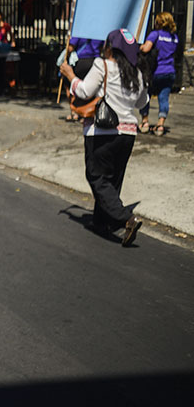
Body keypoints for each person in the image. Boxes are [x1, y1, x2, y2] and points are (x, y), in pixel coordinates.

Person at [59, 28, 149, 246]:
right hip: (127, 134)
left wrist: (70, 76)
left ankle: (127, 219)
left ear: (110, 48)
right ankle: (102, 222)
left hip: (102, 132)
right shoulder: (136, 72)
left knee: (97, 177)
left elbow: (83, 92)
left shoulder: (102, 65)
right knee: (113, 180)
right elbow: (141, 103)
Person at [138, 11, 178, 136]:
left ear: (159, 22)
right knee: (164, 98)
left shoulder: (155, 34)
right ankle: (160, 125)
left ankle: (145, 122)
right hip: (169, 71)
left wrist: (138, 46)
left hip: (155, 71)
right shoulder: (174, 37)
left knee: (145, 95)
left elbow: (146, 48)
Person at [61, 36, 104, 121]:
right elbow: (103, 48)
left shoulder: (79, 31)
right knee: (91, 88)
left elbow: (70, 48)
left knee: (71, 84)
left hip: (80, 60)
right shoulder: (99, 32)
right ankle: (87, 113)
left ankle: (74, 111)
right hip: (94, 61)